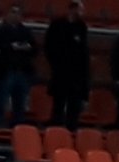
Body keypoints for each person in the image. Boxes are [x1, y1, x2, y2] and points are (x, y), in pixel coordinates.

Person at [44, 0, 89, 129]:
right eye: (80, 9)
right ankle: (55, 129)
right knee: (58, 103)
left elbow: (83, 51)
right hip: (60, 72)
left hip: (76, 75)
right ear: (72, 9)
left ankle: (71, 130)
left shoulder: (81, 26)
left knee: (74, 105)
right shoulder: (57, 25)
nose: (82, 13)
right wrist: (56, 64)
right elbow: (49, 47)